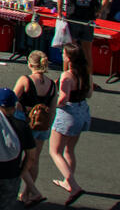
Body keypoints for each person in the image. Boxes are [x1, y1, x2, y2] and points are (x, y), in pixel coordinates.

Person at [48, 42, 92, 205]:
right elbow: (89, 93)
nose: (62, 55)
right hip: (82, 110)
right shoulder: (85, 72)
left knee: (55, 151)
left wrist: (50, 104)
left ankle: (73, 186)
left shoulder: (67, 75)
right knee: (69, 150)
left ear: (69, 57)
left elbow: (63, 99)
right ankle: (68, 180)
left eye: (64, 53)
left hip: (69, 113)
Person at [13, 50, 55, 206]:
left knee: (17, 158)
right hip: (43, 126)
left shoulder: (25, 80)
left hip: (26, 124)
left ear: (30, 64)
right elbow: (53, 108)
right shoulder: (51, 84)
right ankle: (26, 194)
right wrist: (47, 127)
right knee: (34, 160)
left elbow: (12, 99)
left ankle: (34, 191)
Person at [58, 0, 107, 72]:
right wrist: (99, 11)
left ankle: (67, 75)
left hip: (73, 19)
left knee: (69, 50)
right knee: (87, 52)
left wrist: (60, 13)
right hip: (88, 20)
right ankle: (88, 78)